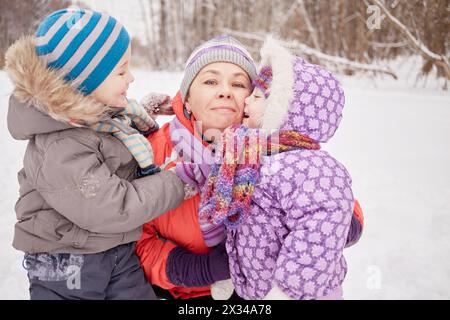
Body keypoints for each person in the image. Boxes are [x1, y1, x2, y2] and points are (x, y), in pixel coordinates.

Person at [5, 7, 185, 299]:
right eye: (121, 71)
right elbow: (113, 208)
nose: (131, 78)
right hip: (67, 264)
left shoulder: (94, 119)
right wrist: (178, 181)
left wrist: (139, 115)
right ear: (83, 84)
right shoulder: (60, 145)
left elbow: (109, 141)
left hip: (115, 251)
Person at [198, 38, 364, 300]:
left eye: (256, 96)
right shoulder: (251, 154)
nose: (246, 102)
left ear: (285, 109)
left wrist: (288, 291)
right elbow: (243, 228)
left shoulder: (309, 167)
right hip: (256, 293)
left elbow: (319, 232)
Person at [135, 35, 257, 299]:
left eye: (238, 83)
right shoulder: (149, 151)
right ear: (187, 98)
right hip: (178, 292)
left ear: (251, 99)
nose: (225, 91)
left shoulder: (274, 145)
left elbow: (331, 202)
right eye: (210, 81)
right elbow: (131, 240)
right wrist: (188, 269)